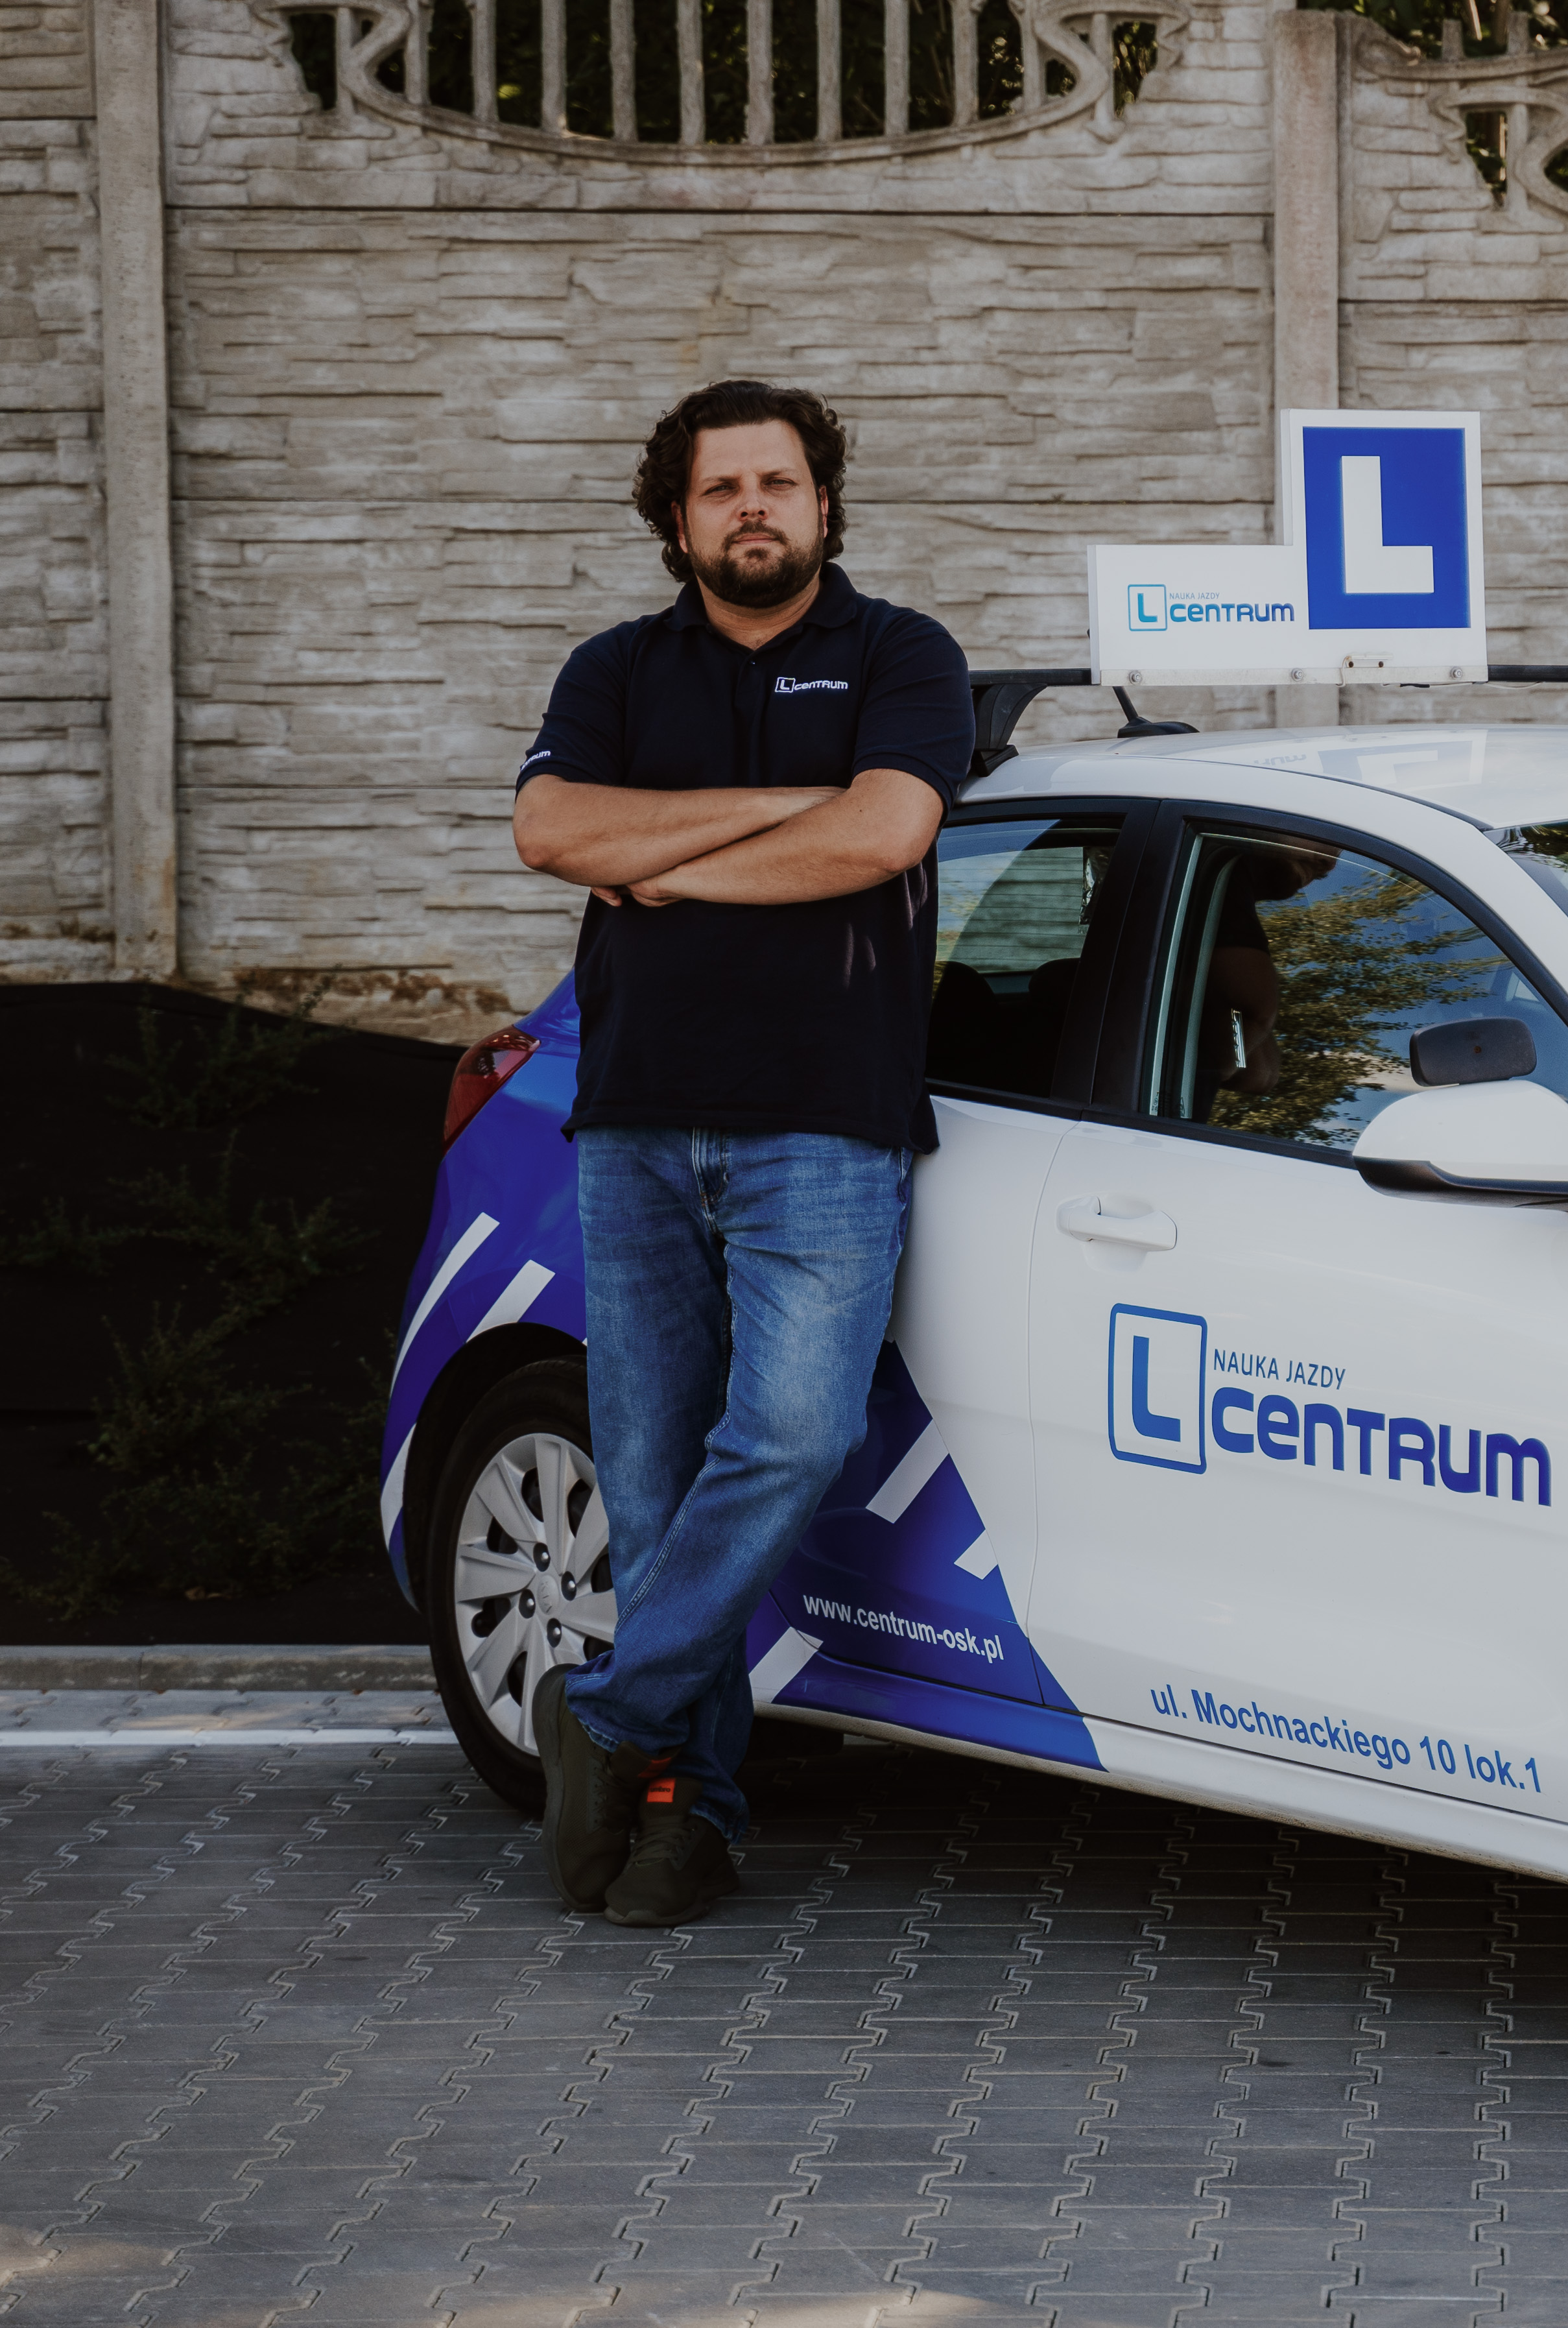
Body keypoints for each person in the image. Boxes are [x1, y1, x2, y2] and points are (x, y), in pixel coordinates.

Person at [508, 380, 971, 1927]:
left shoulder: (902, 654)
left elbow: (883, 834)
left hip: (823, 1125)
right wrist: (787, 806)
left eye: (779, 482)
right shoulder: (615, 669)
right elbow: (551, 833)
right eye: (723, 488)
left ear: (824, 503)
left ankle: (610, 1708)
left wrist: (667, 854)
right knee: (647, 1485)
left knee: (793, 1434)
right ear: (678, 516)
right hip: (634, 1119)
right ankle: (686, 1809)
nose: (753, 508)